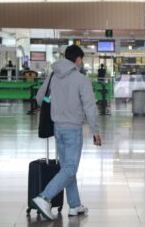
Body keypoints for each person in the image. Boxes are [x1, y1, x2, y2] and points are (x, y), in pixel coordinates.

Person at [33, 45, 102, 220]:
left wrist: (57, 104)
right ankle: (44, 197)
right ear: (78, 60)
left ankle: (75, 204)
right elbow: (90, 107)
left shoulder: (53, 76)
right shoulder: (81, 80)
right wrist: (95, 131)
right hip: (73, 129)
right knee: (70, 168)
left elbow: (40, 98)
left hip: (58, 128)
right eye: (82, 59)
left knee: (67, 168)